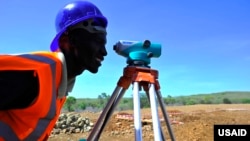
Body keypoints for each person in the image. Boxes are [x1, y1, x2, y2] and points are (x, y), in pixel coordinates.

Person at [0, 0, 108, 140]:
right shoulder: (37, 74)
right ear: (71, 40)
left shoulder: (60, 81)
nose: (104, 52)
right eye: (98, 42)